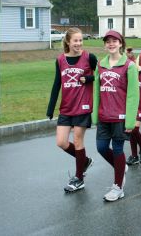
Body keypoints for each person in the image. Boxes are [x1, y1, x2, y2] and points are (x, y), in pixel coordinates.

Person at [46, 27, 96, 193]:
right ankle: (84, 161)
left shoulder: (90, 57)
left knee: (78, 140)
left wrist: (88, 78)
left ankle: (79, 178)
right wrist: (50, 108)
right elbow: (56, 84)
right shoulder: (60, 60)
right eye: (75, 40)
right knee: (61, 142)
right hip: (66, 108)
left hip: (83, 106)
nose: (79, 43)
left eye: (81, 40)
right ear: (68, 41)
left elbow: (100, 75)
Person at [92, 30, 139, 202]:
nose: (111, 44)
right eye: (108, 41)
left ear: (121, 44)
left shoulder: (129, 65)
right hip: (104, 115)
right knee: (101, 147)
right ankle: (121, 167)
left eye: (114, 41)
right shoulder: (100, 64)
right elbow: (96, 91)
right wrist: (94, 116)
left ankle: (118, 187)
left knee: (118, 149)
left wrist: (130, 120)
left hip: (120, 116)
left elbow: (133, 94)